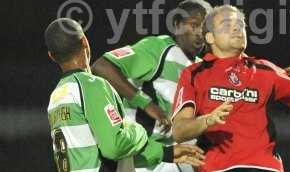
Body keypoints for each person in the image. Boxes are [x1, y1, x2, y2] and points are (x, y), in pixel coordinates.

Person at [172, 5, 290, 172]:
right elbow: (178, 131)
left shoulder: (266, 71)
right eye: (227, 25)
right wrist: (207, 120)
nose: (236, 28)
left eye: (240, 25)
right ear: (210, 37)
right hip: (219, 168)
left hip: (265, 167)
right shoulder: (194, 74)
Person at [45, 18, 205, 172]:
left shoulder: (56, 97)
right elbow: (114, 148)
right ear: (85, 42)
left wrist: (166, 153)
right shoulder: (92, 85)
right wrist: (138, 130)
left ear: (52, 56)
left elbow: (98, 151)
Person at [91, 0, 212, 172]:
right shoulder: (157, 48)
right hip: (145, 161)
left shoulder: (203, 69)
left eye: (205, 28)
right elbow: (102, 66)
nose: (200, 33)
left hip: (179, 158)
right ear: (177, 25)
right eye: (194, 25)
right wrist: (146, 104)